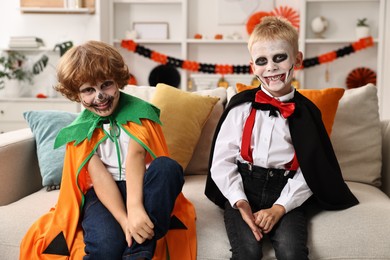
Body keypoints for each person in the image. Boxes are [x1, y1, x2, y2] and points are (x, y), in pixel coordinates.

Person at [20, 40, 196, 260]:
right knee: (105, 247)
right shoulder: (80, 132)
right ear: (77, 94)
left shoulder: (139, 113)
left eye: (106, 85)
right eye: (88, 90)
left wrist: (135, 209)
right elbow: (100, 177)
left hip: (144, 185)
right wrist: (125, 221)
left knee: (167, 167)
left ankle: (138, 253)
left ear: (118, 81)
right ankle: (136, 242)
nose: (99, 96)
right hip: (104, 194)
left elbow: (136, 156)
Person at [205, 16, 358, 260]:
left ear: (296, 59)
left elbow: (312, 169)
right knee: (247, 252)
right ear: (252, 67)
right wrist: (239, 201)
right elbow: (221, 162)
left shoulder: (307, 113)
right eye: (262, 61)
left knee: (292, 251)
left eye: (280, 58)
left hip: (286, 190)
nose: (271, 68)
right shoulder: (240, 108)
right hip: (243, 187)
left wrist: (280, 207)